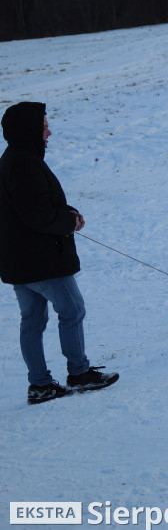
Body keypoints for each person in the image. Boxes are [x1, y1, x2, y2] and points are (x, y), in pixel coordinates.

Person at [0, 103, 119, 405]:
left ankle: (40, 385)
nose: (49, 132)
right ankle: (78, 373)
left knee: (32, 320)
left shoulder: (11, 160)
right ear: (29, 130)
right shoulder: (25, 163)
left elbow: (28, 208)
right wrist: (69, 221)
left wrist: (67, 212)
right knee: (72, 309)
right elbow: (36, 214)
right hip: (42, 261)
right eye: (43, 127)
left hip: (19, 260)